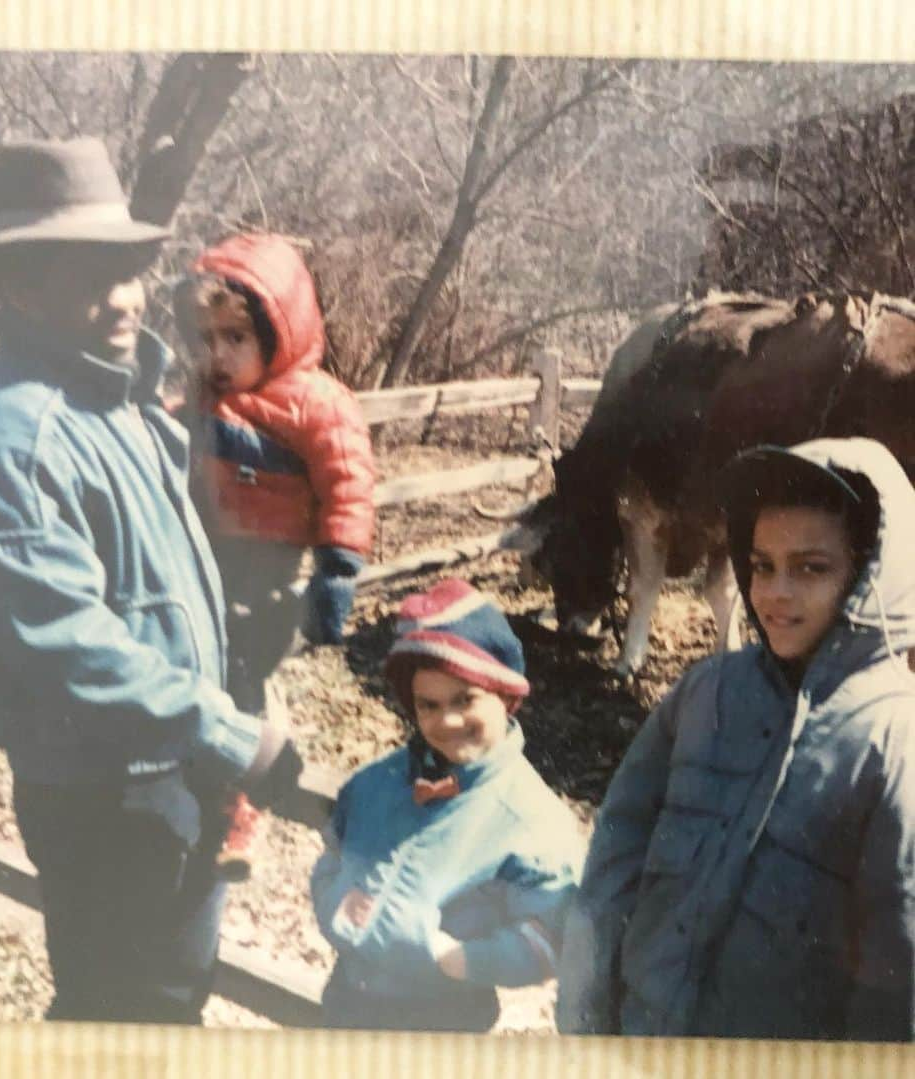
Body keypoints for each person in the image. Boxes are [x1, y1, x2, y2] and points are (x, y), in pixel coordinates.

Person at [0, 137, 303, 1024]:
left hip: (174, 769)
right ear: (18, 287)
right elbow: (64, 643)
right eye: (91, 276)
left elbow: (164, 577)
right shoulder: (6, 440)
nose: (126, 297)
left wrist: (243, 652)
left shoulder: (122, 406)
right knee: (125, 1015)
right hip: (110, 796)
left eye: (130, 270)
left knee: (169, 998)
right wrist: (228, 733)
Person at [557, 437, 915, 1041]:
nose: (775, 592)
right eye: (762, 564)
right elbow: (615, 857)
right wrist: (587, 1009)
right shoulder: (705, 692)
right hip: (647, 1038)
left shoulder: (892, 738)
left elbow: (898, 969)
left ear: (872, 577)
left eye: (811, 568)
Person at [310, 578, 584, 1032]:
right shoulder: (377, 784)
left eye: (465, 699)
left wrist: (457, 959)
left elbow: (550, 934)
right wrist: (334, 907)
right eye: (429, 705)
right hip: (347, 999)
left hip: (441, 1020)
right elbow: (333, 854)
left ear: (505, 697)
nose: (448, 720)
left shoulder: (530, 818)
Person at [172, 232, 376, 705]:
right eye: (206, 339)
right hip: (206, 546)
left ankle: (255, 751)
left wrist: (338, 569)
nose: (218, 354)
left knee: (250, 659)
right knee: (207, 654)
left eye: (236, 337)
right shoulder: (204, 398)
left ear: (278, 333)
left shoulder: (316, 402)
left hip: (271, 559)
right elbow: (171, 431)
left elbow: (347, 484)